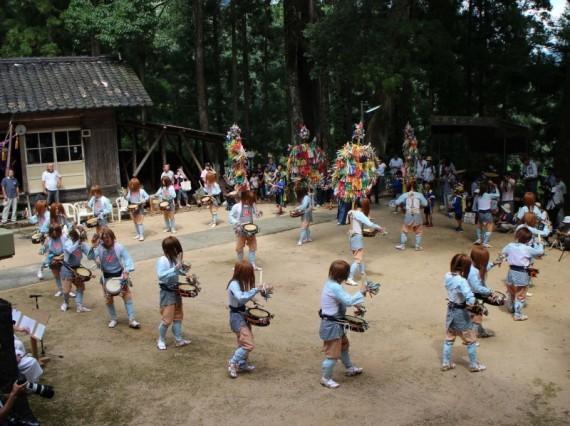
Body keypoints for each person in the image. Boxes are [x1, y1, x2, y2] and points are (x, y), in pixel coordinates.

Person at [319, 259, 369, 389]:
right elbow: (347, 301)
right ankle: (326, 378)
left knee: (344, 347)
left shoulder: (332, 283)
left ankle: (349, 368)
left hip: (336, 323)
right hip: (332, 325)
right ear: (344, 275)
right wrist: (362, 292)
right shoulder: (334, 286)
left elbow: (342, 299)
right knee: (333, 355)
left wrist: (357, 303)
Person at [226, 260, 272, 378]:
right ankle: (233, 362)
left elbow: (243, 296)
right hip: (236, 317)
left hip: (242, 314)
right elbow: (241, 298)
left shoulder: (239, 282)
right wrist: (255, 290)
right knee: (248, 344)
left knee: (243, 341)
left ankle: (242, 363)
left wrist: (261, 293)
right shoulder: (234, 284)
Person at [441, 253, 486, 373]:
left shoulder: (447, 275)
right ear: (465, 267)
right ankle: (473, 365)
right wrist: (477, 304)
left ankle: (446, 362)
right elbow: (470, 299)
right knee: (470, 340)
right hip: (461, 312)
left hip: (450, 310)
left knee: (449, 338)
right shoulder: (462, 281)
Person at [90, 227, 140, 329]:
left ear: (112, 237)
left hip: (120, 275)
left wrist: (126, 272)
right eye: (104, 238)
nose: (106, 240)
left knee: (127, 297)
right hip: (107, 277)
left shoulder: (119, 247)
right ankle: (113, 318)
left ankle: (131, 319)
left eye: (108, 238)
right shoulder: (99, 248)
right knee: (108, 299)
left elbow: (127, 259)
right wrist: (93, 246)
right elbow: (90, 257)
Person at [156, 236, 192, 350]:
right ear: (168, 250)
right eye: (175, 249)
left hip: (176, 290)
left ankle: (179, 339)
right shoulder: (163, 260)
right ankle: (161, 339)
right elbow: (161, 275)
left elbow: (178, 271)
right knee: (167, 319)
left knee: (178, 317)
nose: (177, 251)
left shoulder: (174, 259)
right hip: (166, 292)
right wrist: (175, 269)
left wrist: (185, 272)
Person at [500, 227, 544, 321]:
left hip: (511, 272)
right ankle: (518, 315)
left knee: (511, 291)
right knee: (520, 294)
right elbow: (540, 252)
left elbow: (503, 252)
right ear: (529, 239)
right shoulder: (528, 248)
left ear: (517, 236)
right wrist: (539, 244)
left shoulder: (510, 245)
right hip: (522, 273)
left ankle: (511, 307)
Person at [346, 198, 384, 286]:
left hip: (351, 235)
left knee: (359, 257)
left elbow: (347, 222)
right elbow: (370, 224)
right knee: (358, 259)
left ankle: (363, 274)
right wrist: (380, 228)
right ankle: (349, 278)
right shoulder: (359, 214)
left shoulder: (350, 212)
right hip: (357, 236)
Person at [60, 226, 92, 313]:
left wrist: (96, 247)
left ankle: (79, 306)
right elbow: (70, 250)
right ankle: (66, 303)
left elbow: (90, 254)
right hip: (67, 268)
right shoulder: (68, 242)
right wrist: (78, 242)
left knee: (81, 287)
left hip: (77, 268)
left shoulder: (81, 244)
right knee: (66, 290)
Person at [468, 246, 498, 338]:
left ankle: (480, 332)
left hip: (475, 296)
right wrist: (489, 291)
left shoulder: (475, 266)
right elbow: (476, 287)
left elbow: (484, 268)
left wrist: (493, 264)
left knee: (476, 314)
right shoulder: (472, 272)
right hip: (473, 296)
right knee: (477, 317)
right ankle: (471, 338)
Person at [228, 191, 262, 270]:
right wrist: (236, 222)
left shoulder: (252, 205)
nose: (249, 202)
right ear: (243, 198)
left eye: (251, 201)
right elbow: (230, 216)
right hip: (240, 230)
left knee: (253, 246)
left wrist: (258, 213)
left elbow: (255, 214)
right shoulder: (236, 206)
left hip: (251, 229)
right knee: (239, 248)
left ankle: (252, 264)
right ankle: (239, 264)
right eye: (248, 200)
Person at [394, 180, 428, 251]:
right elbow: (425, 204)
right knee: (418, 230)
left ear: (408, 187)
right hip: (417, 214)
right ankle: (417, 246)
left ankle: (402, 245)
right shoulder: (419, 195)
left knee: (404, 230)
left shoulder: (405, 194)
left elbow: (397, 202)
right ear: (416, 187)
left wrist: (403, 204)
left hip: (408, 214)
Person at [474, 181, 500, 247]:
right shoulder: (489, 195)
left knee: (479, 225)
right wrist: (496, 187)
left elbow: (476, 205)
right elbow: (498, 195)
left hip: (480, 213)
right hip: (487, 213)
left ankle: (479, 239)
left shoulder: (478, 195)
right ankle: (485, 242)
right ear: (486, 189)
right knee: (490, 226)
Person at [29, 200, 50, 280]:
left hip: (50, 235)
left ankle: (44, 267)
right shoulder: (38, 214)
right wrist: (27, 216)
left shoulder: (48, 214)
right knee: (49, 253)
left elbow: (46, 225)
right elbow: (32, 220)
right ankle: (41, 269)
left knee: (53, 253)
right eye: (42, 207)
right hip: (44, 237)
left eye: (45, 206)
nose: (44, 208)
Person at [44, 224, 67, 297]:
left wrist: (63, 257)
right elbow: (47, 252)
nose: (54, 233)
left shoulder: (63, 237)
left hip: (63, 257)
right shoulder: (48, 240)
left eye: (56, 231)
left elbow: (67, 248)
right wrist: (50, 260)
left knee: (65, 275)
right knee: (56, 276)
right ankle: (60, 290)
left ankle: (67, 290)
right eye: (52, 231)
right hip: (53, 258)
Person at [125, 177, 149, 241]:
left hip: (139, 207)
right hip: (132, 207)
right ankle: (138, 234)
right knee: (135, 222)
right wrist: (125, 194)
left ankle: (141, 235)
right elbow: (127, 199)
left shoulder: (141, 191)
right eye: (131, 184)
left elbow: (147, 196)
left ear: (136, 185)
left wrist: (143, 200)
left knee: (140, 222)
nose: (131, 186)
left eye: (133, 184)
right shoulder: (130, 191)